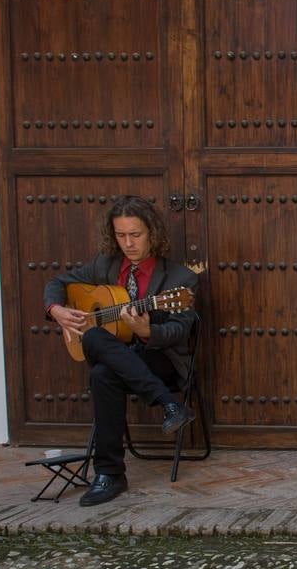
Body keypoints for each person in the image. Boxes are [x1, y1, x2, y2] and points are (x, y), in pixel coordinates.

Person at [43, 196, 198, 506]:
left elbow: (180, 330)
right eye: (121, 235)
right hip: (123, 360)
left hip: (158, 359)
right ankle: (167, 406)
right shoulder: (105, 265)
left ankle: (109, 473)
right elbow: (57, 281)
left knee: (102, 368)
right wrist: (56, 310)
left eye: (135, 235)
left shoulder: (181, 280)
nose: (128, 243)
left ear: (153, 233)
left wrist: (146, 331)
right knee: (97, 346)